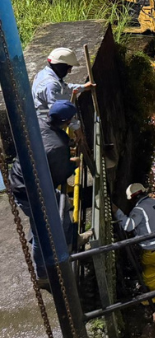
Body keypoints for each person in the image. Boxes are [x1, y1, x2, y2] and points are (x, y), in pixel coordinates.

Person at [8, 100, 92, 287]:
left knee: (62, 208)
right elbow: (60, 174)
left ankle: (73, 239)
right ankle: (43, 275)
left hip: (22, 176)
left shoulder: (37, 122)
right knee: (42, 233)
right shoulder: (57, 145)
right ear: (67, 121)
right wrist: (73, 163)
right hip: (30, 191)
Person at [113, 183, 155, 298]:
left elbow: (128, 226)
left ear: (132, 199)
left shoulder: (138, 210)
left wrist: (118, 212)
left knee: (150, 276)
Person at [31, 48, 94, 119]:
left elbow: (63, 88)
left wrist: (83, 87)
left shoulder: (43, 74)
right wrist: (75, 126)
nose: (69, 71)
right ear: (62, 67)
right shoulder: (51, 84)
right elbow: (58, 113)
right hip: (47, 124)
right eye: (69, 68)